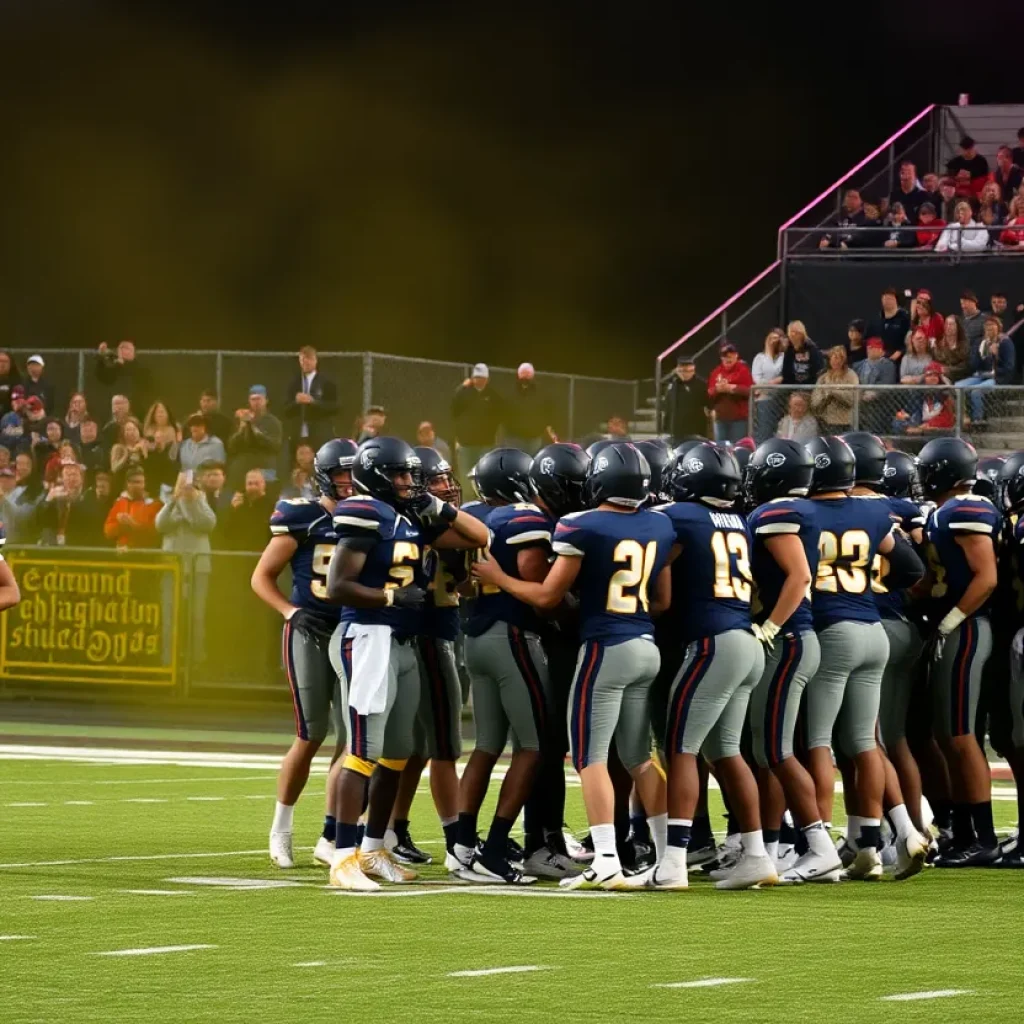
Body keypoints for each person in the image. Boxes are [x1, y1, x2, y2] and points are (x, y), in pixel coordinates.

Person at [474, 443, 673, 892]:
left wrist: (500, 579)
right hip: (646, 643)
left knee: (590, 759)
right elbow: (662, 600)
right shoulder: (660, 524)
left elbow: (547, 597)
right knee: (641, 758)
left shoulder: (580, 525)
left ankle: (605, 860)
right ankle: (667, 859)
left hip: (605, 649)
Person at [324, 436, 487, 891]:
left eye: (411, 475)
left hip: (402, 641)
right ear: (377, 475)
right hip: (367, 636)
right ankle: (343, 856)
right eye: (400, 475)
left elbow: (480, 536)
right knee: (363, 751)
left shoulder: (411, 516)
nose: (409, 483)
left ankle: (375, 849)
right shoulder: (365, 512)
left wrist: (438, 506)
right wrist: (390, 595)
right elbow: (338, 586)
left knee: (397, 751)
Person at [455, 444, 588, 884]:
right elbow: (539, 589)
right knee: (534, 747)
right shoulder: (525, 519)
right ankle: (494, 850)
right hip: (512, 637)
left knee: (488, 745)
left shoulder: (477, 517)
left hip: (476, 634)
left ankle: (461, 845)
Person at [649, 443, 773, 891]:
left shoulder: (676, 516)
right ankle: (757, 854)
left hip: (712, 645)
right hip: (746, 639)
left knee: (680, 748)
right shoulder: (738, 520)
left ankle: (674, 861)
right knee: (726, 751)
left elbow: (658, 564)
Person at [802, 436, 924, 881]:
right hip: (874, 627)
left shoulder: (802, 513)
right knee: (864, 740)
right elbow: (912, 569)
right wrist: (867, 588)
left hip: (834, 631)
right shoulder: (875, 511)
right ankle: (872, 841)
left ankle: (816, 848)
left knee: (818, 740)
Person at [250, 438, 358, 871]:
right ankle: (281, 826)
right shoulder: (302, 516)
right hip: (311, 629)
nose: (349, 483)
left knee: (351, 737)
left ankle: (332, 834)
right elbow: (261, 577)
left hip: (351, 630)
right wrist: (290, 612)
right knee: (310, 733)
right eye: (342, 475)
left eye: (354, 474)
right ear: (324, 477)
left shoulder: (366, 516)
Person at [743, 439, 840, 882]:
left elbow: (799, 575)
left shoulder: (775, 514)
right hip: (797, 638)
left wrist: (770, 625)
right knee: (771, 751)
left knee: (778, 752)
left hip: (790, 640)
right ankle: (775, 846)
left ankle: (818, 846)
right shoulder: (802, 512)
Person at [842, 433, 931, 854]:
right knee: (891, 738)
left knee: (861, 741)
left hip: (861, 624)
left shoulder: (839, 509)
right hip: (900, 625)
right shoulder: (899, 509)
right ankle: (911, 828)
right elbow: (918, 570)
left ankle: (877, 838)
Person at [387, 447, 472, 869]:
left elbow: (464, 584)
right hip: (427, 636)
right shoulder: (420, 523)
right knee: (442, 744)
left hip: (441, 632)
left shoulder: (426, 519)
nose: (447, 486)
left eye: (447, 478)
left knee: (417, 747)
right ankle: (457, 841)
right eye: (436, 480)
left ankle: (392, 827)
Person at [918, 438, 1000, 866]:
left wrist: (953, 619)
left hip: (967, 627)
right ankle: (965, 832)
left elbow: (986, 577)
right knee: (947, 734)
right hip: (957, 625)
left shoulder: (965, 510)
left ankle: (982, 838)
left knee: (961, 735)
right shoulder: (944, 512)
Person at [155, 469, 217, 665]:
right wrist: (174, 500)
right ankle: (168, 658)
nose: (185, 488)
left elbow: (208, 523)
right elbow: (160, 524)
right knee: (170, 614)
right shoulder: (170, 502)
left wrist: (192, 503)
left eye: (188, 484)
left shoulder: (202, 501)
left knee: (196, 615)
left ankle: (196, 659)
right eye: (181, 484)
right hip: (172, 567)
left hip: (198, 568)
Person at [956, 315, 1016, 424]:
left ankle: (978, 420)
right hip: (981, 375)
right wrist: (980, 353)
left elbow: (1009, 367)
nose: (989, 328)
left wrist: (996, 355)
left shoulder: (1005, 342)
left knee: (976, 391)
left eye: (992, 325)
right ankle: (962, 417)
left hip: (998, 376)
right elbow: (974, 365)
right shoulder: (981, 343)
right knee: (957, 386)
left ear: (998, 327)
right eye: (987, 326)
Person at [451, 363, 503, 479]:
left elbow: (499, 417)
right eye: (476, 377)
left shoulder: (493, 396)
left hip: (485, 443)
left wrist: (493, 436)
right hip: (466, 443)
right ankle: (468, 497)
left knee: (483, 474)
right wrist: (461, 388)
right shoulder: (464, 393)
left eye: (481, 378)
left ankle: (481, 496)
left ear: (487, 379)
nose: (478, 380)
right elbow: (454, 410)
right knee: (465, 475)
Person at [283, 346, 339, 451]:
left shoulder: (326, 382)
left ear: (315, 360)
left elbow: (335, 407)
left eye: (309, 359)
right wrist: (296, 402)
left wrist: (313, 402)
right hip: (298, 434)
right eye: (303, 360)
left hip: (320, 433)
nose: (306, 362)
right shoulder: (294, 383)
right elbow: (285, 410)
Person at [228, 385, 283, 486]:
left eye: (259, 399)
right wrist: (242, 429)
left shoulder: (273, 422)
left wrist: (254, 430)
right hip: (243, 468)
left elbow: (275, 446)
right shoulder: (241, 418)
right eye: (253, 399)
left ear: (266, 400)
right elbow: (231, 446)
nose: (256, 402)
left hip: (265, 467)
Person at [502, 363, 556, 454]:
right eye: (523, 373)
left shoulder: (540, 394)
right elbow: (504, 414)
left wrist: (544, 427)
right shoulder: (511, 393)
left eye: (528, 374)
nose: (525, 377)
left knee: (531, 463)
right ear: (519, 375)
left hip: (534, 439)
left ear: (532, 375)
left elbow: (547, 413)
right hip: (515, 438)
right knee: (517, 463)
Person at [103, 467, 161, 549]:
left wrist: (134, 525)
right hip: (122, 555)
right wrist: (121, 526)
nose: (139, 485)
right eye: (135, 482)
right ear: (128, 484)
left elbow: (155, 532)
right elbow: (108, 531)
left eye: (141, 482)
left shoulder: (153, 504)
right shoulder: (119, 503)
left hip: (145, 553)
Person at [706, 342, 753, 445]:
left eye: (731, 355)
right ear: (721, 358)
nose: (728, 358)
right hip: (720, 419)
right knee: (721, 448)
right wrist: (718, 389)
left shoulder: (743, 370)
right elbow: (709, 393)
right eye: (725, 356)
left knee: (738, 447)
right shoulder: (716, 372)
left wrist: (732, 388)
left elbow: (750, 391)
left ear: (736, 355)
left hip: (739, 420)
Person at [810, 345, 858, 431]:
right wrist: (825, 397)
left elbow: (852, 397)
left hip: (844, 422)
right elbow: (815, 399)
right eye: (834, 358)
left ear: (844, 360)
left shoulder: (851, 375)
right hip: (824, 420)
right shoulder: (823, 377)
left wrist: (833, 392)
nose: (837, 361)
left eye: (840, 358)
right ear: (830, 359)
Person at [96, 339, 150, 411]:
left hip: (135, 409)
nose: (123, 350)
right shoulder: (113, 365)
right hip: (113, 408)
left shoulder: (141, 368)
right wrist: (101, 355)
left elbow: (146, 388)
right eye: (121, 348)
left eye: (126, 348)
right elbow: (101, 377)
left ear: (133, 352)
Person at [751, 331, 785, 443]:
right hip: (764, 399)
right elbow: (757, 378)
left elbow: (784, 376)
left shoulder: (784, 357)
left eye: (776, 338)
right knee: (764, 431)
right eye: (771, 338)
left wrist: (772, 382)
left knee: (780, 431)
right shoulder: (760, 358)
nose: (774, 341)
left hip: (782, 398)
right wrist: (775, 381)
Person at [663, 355, 708, 440]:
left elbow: (707, 406)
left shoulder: (701, 385)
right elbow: (668, 407)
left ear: (693, 370)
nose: (684, 374)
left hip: (695, 431)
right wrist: (666, 428)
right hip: (675, 431)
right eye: (681, 371)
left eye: (687, 371)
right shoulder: (673, 384)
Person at [866, 288, 911, 362]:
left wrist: (899, 352)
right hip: (876, 360)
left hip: (898, 360)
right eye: (885, 299)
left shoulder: (904, 319)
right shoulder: (875, 320)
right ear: (881, 300)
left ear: (896, 301)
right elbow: (867, 339)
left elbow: (909, 341)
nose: (888, 301)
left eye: (890, 299)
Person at [781, 321, 822, 387]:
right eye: (791, 332)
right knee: (770, 395)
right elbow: (786, 373)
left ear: (801, 333)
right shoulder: (789, 350)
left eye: (796, 332)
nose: (793, 335)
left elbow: (817, 370)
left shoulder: (812, 349)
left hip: (808, 387)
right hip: (790, 386)